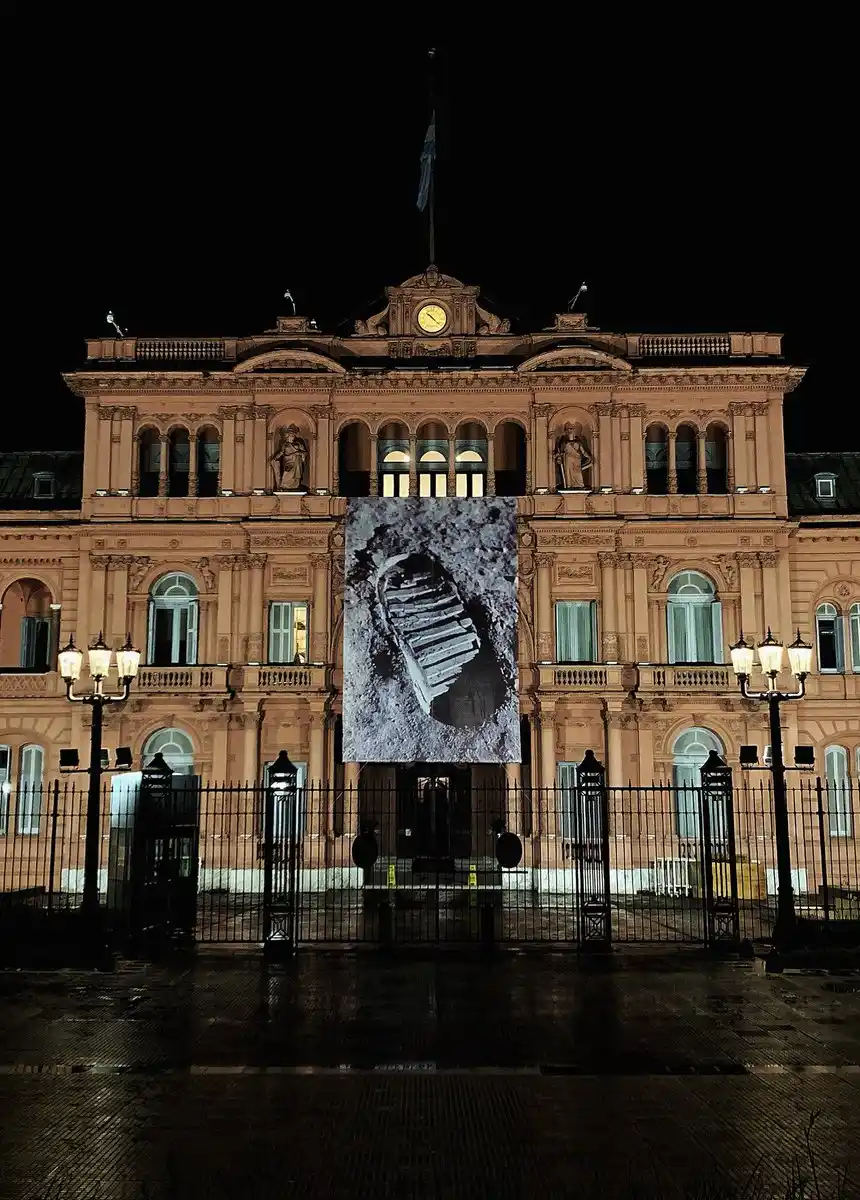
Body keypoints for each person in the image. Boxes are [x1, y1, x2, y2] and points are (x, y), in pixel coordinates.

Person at [554, 423, 592, 489]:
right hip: (568, 460)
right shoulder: (564, 443)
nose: (570, 432)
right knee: (568, 474)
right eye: (569, 430)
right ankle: (569, 486)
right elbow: (561, 452)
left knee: (578, 473)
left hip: (576, 460)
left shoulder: (578, 443)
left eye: (571, 430)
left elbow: (583, 452)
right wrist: (558, 456)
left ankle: (579, 485)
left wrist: (589, 457)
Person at [270, 427, 308, 491]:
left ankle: (295, 486)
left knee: (296, 475)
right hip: (288, 461)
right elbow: (281, 452)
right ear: (288, 437)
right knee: (286, 474)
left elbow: (305, 452)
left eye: (293, 435)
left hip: (296, 461)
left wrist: (298, 452)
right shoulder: (285, 445)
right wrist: (275, 458)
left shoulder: (298, 444)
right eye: (290, 436)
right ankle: (284, 486)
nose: (292, 437)